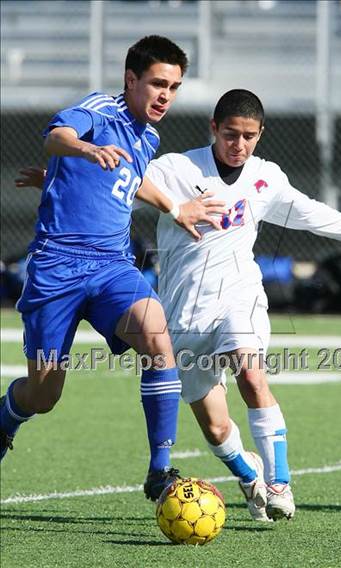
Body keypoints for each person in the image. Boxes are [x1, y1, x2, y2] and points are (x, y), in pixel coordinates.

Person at [15, 89, 341, 521]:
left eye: (249, 136)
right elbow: (115, 181)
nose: (239, 145)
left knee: (251, 374)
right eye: (231, 134)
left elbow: (313, 213)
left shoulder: (265, 178)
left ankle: (279, 483)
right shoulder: (177, 168)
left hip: (240, 296)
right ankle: (246, 472)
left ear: (260, 135)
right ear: (214, 128)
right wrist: (52, 176)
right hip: (184, 312)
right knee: (216, 428)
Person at [0, 35, 226, 503]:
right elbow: (56, 136)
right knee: (43, 395)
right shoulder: (100, 109)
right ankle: (4, 420)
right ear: (131, 80)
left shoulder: (150, 136)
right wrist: (82, 153)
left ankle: (160, 470)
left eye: (175, 86)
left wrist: (175, 207)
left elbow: (130, 178)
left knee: (154, 329)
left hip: (110, 266)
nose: (166, 94)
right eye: (157, 83)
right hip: (56, 267)